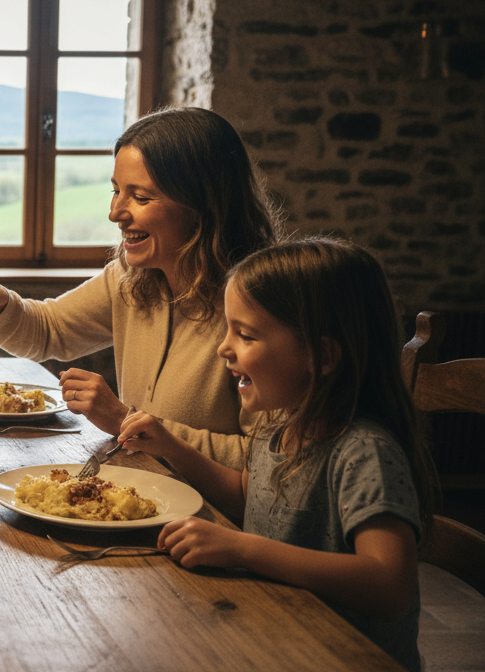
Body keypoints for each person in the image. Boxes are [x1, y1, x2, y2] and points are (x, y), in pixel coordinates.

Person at [117, 236, 435, 671]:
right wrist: (171, 448)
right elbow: (246, 495)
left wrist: (243, 549)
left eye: (245, 334)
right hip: (277, 636)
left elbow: (389, 586)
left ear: (321, 356)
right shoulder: (281, 426)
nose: (223, 349)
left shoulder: (363, 452)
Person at [0, 107, 279, 469]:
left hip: (209, 519)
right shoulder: (132, 278)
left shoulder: (263, 304)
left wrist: (125, 421)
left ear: (204, 205)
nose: (115, 213)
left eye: (140, 197)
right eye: (116, 191)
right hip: (138, 492)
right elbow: (49, 330)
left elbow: (266, 461)